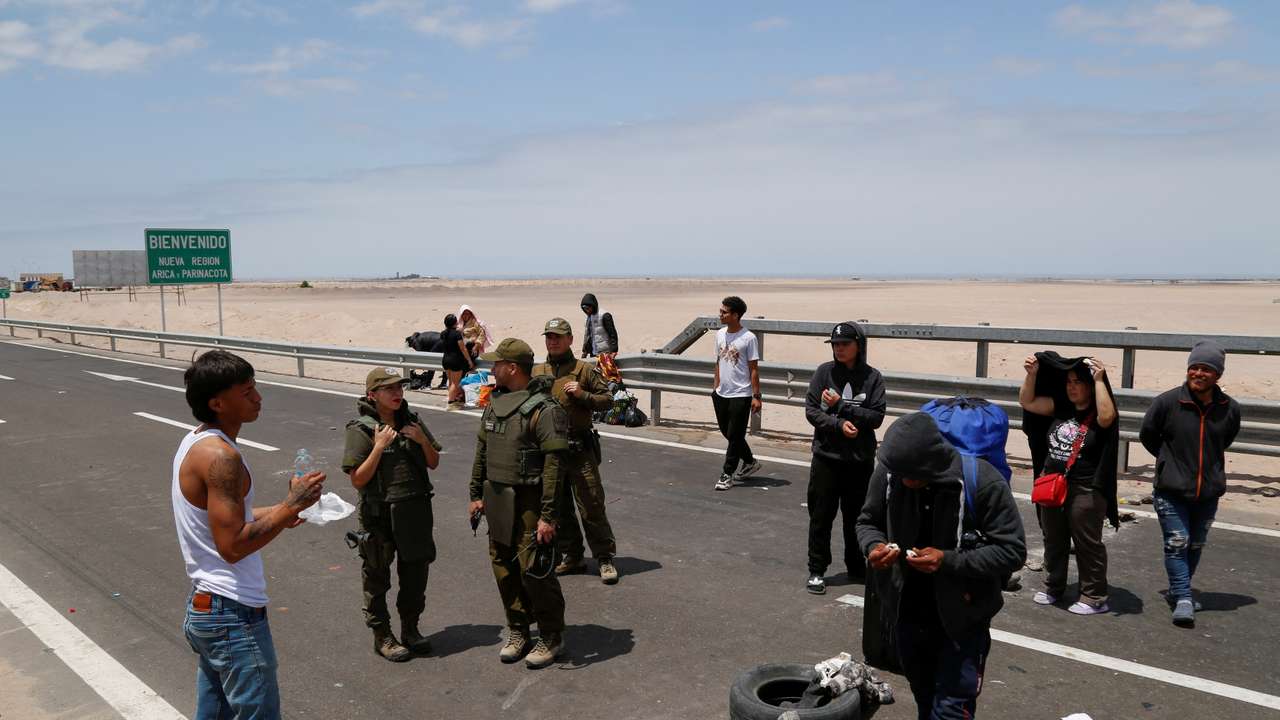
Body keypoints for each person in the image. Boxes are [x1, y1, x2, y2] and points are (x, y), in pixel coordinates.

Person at [172, 350, 325, 719]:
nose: (258, 398)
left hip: (209, 608)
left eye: (255, 388)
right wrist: (291, 506)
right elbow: (232, 545)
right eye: (247, 392)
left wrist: (282, 510)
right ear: (217, 402)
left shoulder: (196, 440)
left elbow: (223, 518)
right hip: (231, 614)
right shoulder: (221, 457)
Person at [856, 412, 1026, 720]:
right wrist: (874, 547)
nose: (905, 481)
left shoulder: (982, 482)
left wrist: (948, 560)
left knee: (950, 710)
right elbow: (868, 521)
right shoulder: (890, 472)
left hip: (961, 623)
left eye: (913, 477)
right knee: (924, 697)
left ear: (931, 465)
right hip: (907, 614)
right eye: (899, 474)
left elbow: (1012, 551)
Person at [469, 338, 571, 669]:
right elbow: (482, 452)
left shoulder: (545, 410)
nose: (491, 368)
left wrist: (548, 517)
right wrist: (475, 494)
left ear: (512, 368)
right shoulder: (494, 403)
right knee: (503, 566)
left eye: (496, 364)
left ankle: (551, 635)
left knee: (535, 571)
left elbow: (555, 467)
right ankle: (518, 629)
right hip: (498, 498)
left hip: (530, 500)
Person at [342, 367, 442, 661]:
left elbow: (433, 462)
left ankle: (411, 629)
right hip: (379, 513)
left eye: (399, 388)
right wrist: (379, 447)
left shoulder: (412, 421)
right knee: (376, 578)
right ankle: (382, 636)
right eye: (389, 389)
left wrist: (422, 441)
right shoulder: (361, 428)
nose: (397, 393)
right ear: (373, 395)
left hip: (414, 510)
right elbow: (358, 479)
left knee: (415, 574)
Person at [1139, 340, 1241, 628]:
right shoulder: (1167, 402)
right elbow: (1148, 435)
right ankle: (1183, 597)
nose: (1198, 373)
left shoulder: (1229, 409)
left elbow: (1226, 439)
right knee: (1177, 542)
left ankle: (1177, 590)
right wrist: (1167, 462)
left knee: (1195, 544)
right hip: (1171, 489)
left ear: (1217, 375)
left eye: (1206, 369)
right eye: (1194, 367)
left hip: (1208, 492)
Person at [1019, 352, 1120, 615]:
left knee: (1087, 543)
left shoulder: (1099, 410)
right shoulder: (1060, 406)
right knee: (1053, 538)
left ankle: (1094, 596)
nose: (1072, 387)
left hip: (1086, 487)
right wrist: (1031, 375)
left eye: (1078, 382)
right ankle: (1053, 586)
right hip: (1053, 484)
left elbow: (1108, 418)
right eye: (1069, 382)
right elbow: (1027, 401)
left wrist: (1099, 379)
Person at [533, 317, 620, 584]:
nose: (553, 341)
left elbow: (607, 400)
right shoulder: (537, 372)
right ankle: (572, 556)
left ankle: (604, 558)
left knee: (591, 504)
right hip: (550, 453)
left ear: (570, 339)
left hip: (579, 449)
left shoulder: (583, 370)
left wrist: (583, 395)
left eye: (558, 336)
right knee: (558, 508)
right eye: (549, 336)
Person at [803, 321, 886, 594]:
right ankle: (817, 570)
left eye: (844, 344)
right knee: (821, 515)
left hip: (859, 460)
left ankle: (856, 565)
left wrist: (842, 408)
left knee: (857, 516)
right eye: (835, 345)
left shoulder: (873, 377)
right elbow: (812, 411)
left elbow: (876, 417)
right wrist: (837, 425)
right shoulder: (823, 373)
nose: (839, 349)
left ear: (858, 346)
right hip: (827, 457)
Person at [712, 296, 762, 491]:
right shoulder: (719, 334)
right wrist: (715, 388)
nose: (720, 314)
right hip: (721, 393)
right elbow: (718, 361)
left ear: (735, 315)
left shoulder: (748, 338)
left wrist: (756, 397)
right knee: (728, 432)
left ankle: (727, 473)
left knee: (735, 435)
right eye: (721, 310)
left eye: (724, 312)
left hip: (741, 394)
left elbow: (754, 369)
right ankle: (749, 461)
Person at [440, 313, 476, 409]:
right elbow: (463, 348)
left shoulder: (443, 333)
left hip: (445, 360)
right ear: (455, 323)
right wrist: (469, 361)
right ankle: (451, 403)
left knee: (451, 382)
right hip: (455, 360)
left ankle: (453, 399)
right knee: (455, 383)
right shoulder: (456, 334)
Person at [579, 293, 619, 359]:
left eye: (588, 308)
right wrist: (585, 351)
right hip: (593, 353)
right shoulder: (589, 317)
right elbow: (588, 336)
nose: (586, 310)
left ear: (593, 305)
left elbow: (612, 334)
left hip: (605, 353)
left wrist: (614, 350)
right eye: (584, 308)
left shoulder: (604, 315)